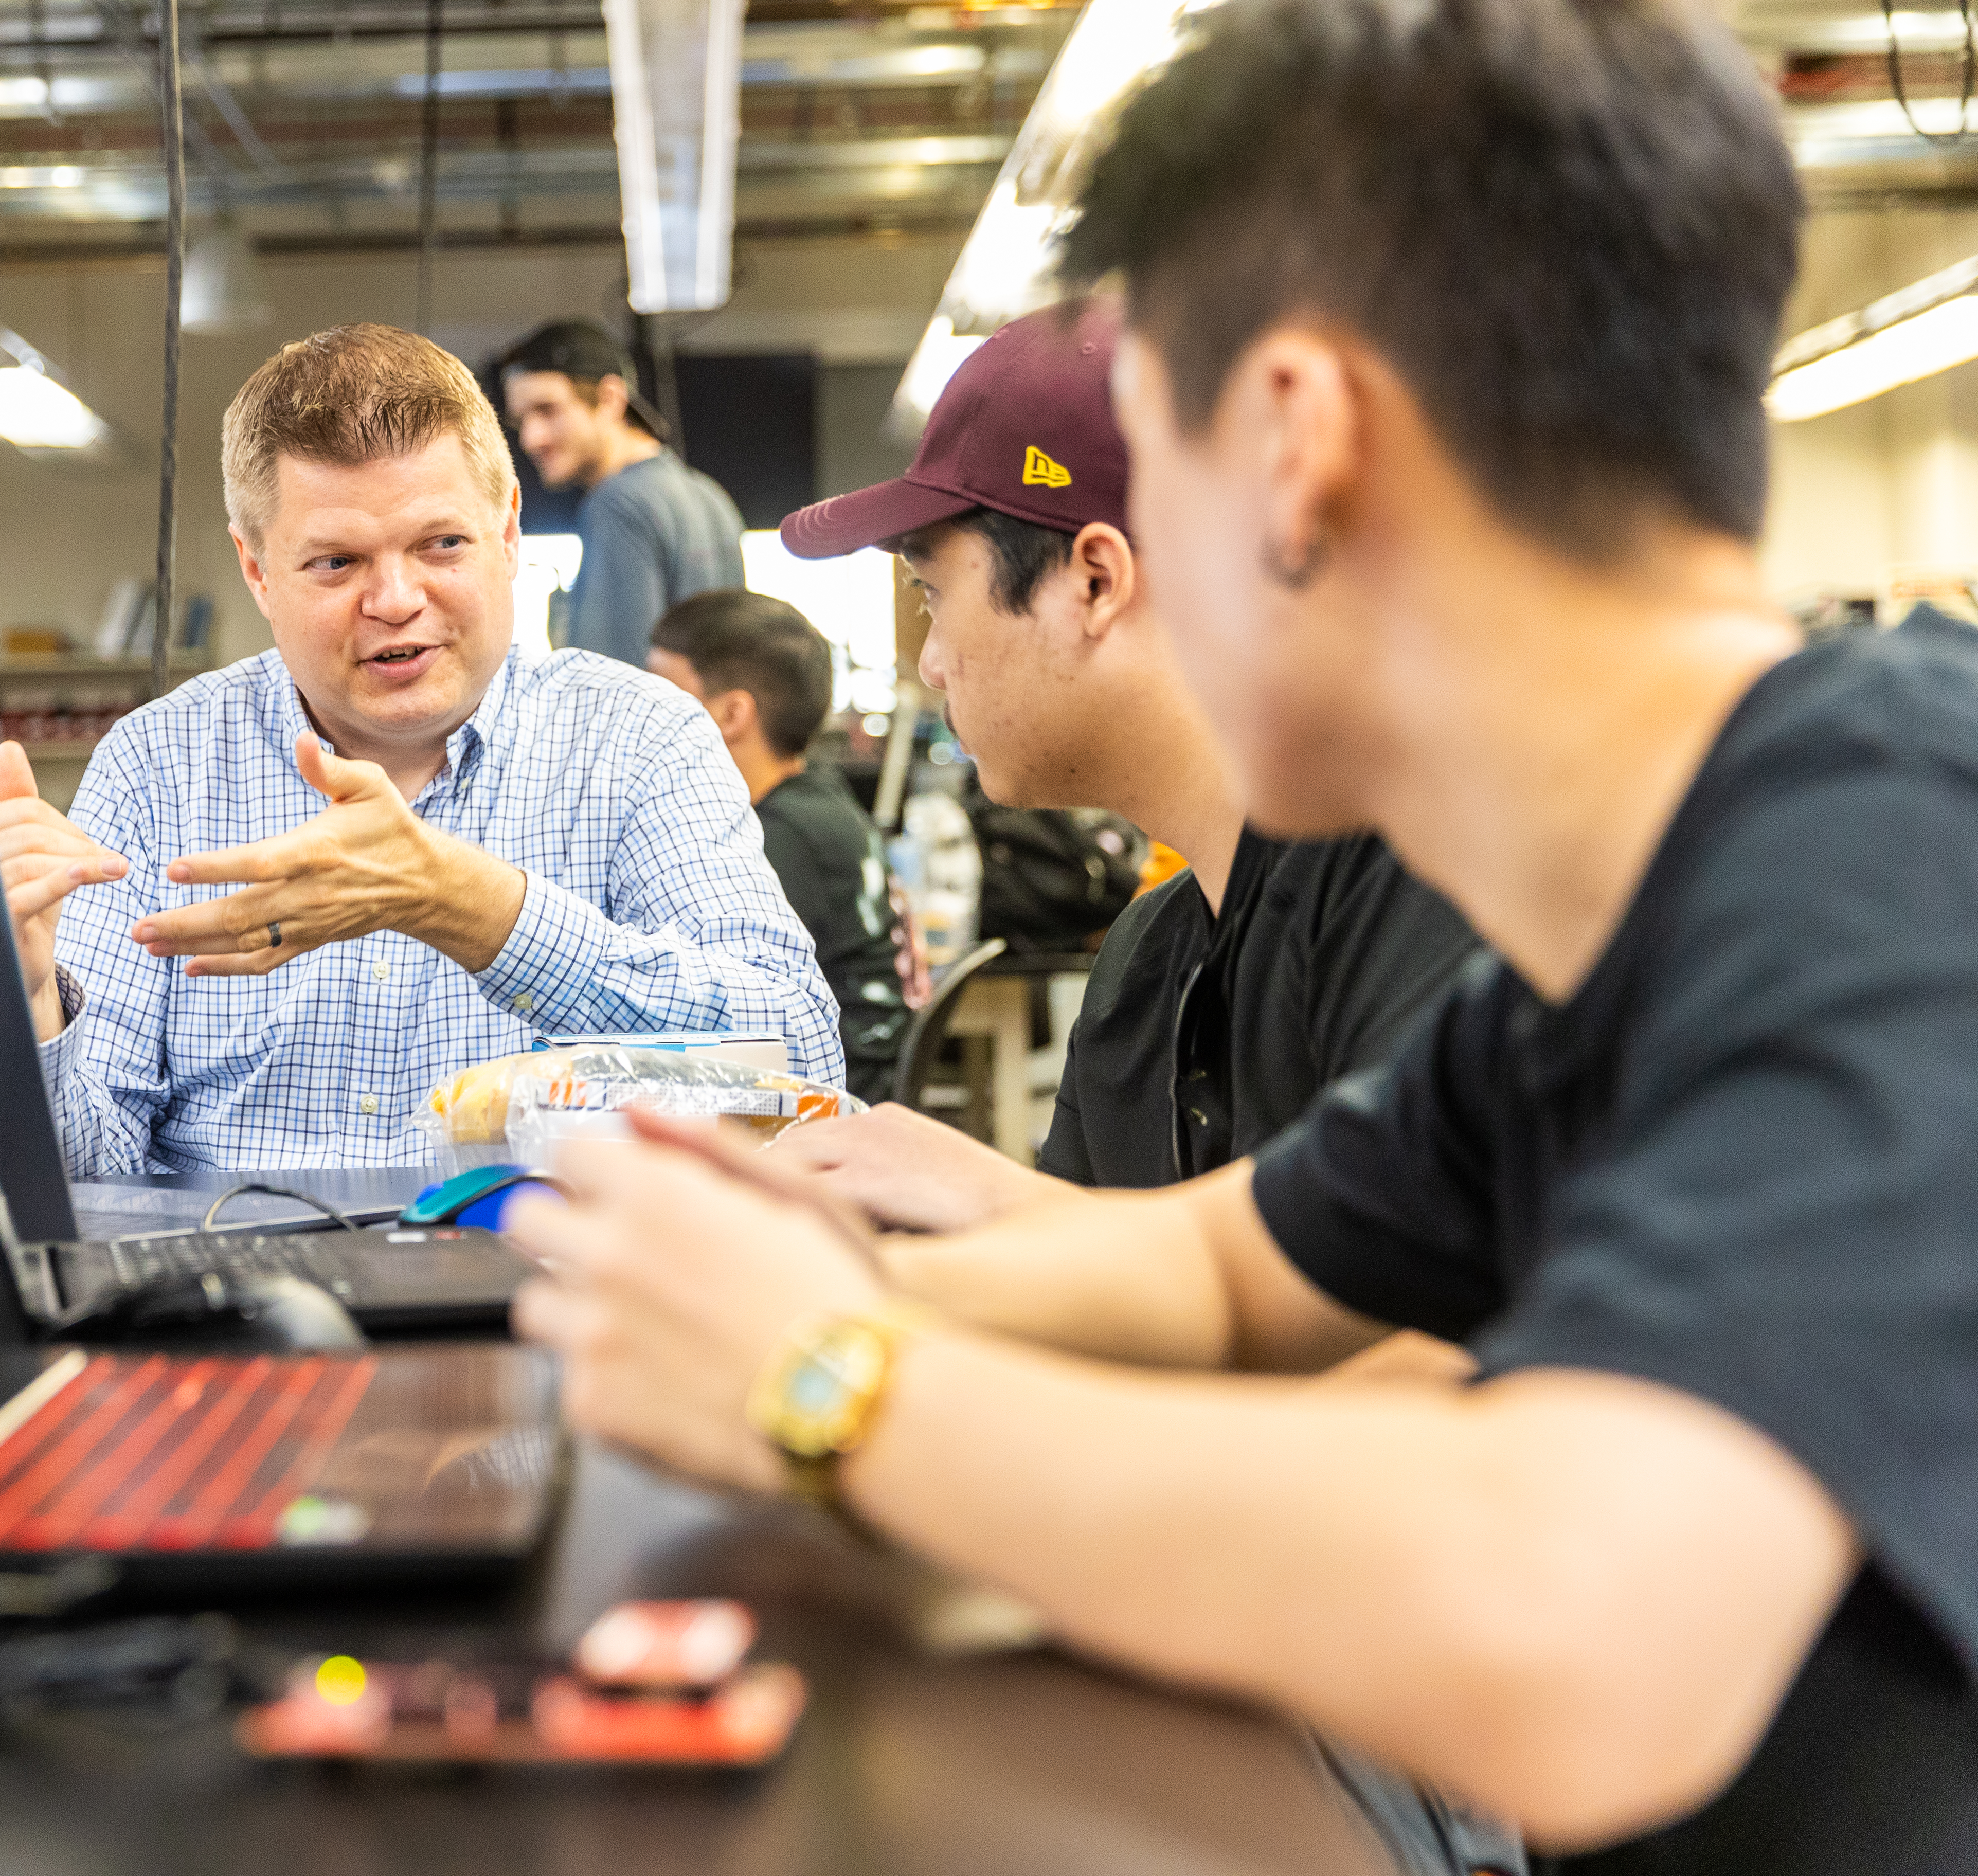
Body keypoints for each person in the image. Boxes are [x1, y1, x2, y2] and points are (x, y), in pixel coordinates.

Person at [511, 3, 1978, 1869]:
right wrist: (718, 1279)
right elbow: (1215, 1277)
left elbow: (1573, 1640)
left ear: (1288, 440)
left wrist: (829, 1381)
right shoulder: (1596, 946)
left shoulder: (1891, 825)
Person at [0, 323, 841, 1174]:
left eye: (441, 543)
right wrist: (28, 1010)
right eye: (336, 562)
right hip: (239, 1300)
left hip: (545, 1286)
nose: (395, 598)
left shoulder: (641, 738)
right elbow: (87, 1178)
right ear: (257, 568)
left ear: (506, 532)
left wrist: (476, 910)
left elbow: (800, 1068)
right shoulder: (158, 766)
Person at [769, 306, 1479, 1238]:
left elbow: (1409, 1334)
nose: (931, 662)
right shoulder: (1143, 968)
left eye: (932, 592)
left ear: (1095, 580)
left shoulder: (1419, 894)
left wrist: (993, 1210)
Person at [648, 589, 911, 1105]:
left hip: (825, 1111)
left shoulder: (780, 839)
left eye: (659, 696)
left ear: (731, 715)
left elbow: (706, 1014)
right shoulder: (819, 800)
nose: (638, 717)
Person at [497, 319, 745, 668]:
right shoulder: (708, 495)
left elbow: (606, 685)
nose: (530, 439)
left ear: (610, 399)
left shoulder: (618, 504)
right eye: (521, 421)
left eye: (547, 410)